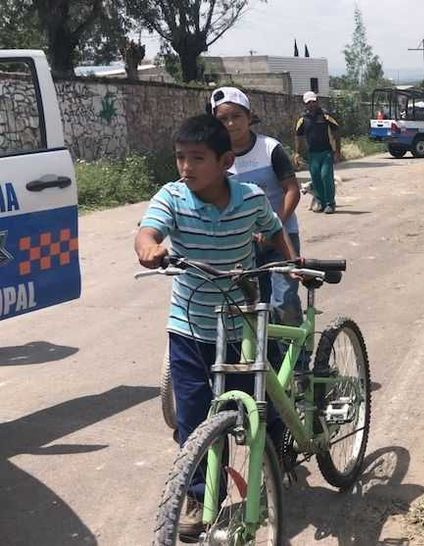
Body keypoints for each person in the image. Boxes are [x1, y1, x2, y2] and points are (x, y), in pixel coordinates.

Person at [134, 114, 297, 538]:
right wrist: (150, 247)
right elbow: (147, 232)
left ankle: (273, 461)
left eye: (197, 159)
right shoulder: (172, 197)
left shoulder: (250, 198)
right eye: (180, 158)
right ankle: (199, 494)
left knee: (266, 404)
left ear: (226, 161)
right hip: (189, 327)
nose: (186, 167)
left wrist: (290, 262)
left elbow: (275, 230)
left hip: (243, 321)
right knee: (193, 419)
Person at [210, 86, 303, 327]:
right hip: (243, 243)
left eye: (236, 116)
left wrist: (274, 225)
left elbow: (292, 189)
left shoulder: (270, 149)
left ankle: (297, 359)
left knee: (283, 301)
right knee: (254, 306)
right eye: (223, 119)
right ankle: (269, 359)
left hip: (280, 235)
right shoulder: (213, 156)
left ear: (249, 117)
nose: (230, 124)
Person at [294, 91, 342, 213]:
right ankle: (320, 201)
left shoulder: (325, 116)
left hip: (326, 152)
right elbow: (298, 136)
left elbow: (336, 132)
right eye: (309, 102)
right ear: (305, 104)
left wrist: (337, 151)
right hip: (312, 154)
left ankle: (330, 203)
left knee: (326, 176)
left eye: (314, 101)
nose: (312, 104)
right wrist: (297, 153)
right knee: (316, 178)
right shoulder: (303, 120)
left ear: (317, 102)